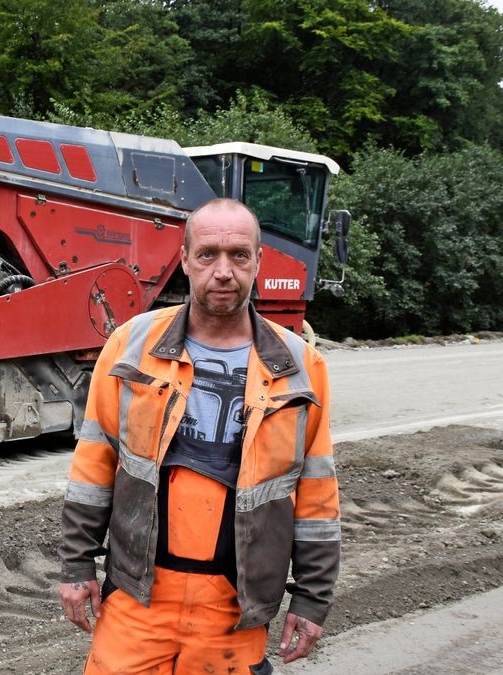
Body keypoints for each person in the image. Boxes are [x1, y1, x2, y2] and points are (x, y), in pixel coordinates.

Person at [58, 198, 340, 674]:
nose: (224, 271)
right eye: (208, 254)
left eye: (239, 255)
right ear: (185, 259)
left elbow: (316, 495)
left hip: (233, 606)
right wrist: (76, 565)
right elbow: (94, 463)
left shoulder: (301, 367)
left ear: (258, 263)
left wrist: (312, 600)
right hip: (138, 596)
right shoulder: (132, 345)